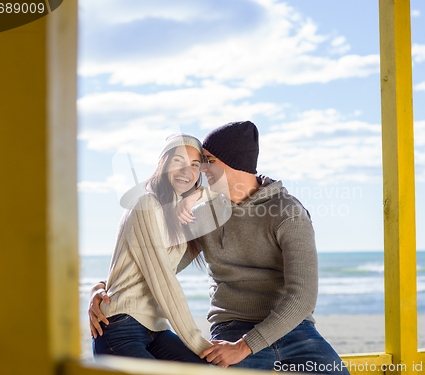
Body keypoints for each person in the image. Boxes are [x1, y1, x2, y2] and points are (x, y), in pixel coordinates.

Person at [90, 121, 350, 374]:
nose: (201, 170)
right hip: (231, 328)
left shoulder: (288, 212)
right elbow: (156, 264)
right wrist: (104, 288)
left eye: (208, 161)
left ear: (232, 164)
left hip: (294, 330)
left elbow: (302, 297)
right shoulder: (205, 216)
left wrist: (246, 346)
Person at [90, 133, 212, 363]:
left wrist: (195, 195)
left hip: (155, 328)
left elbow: (229, 195)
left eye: (195, 165)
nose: (187, 171)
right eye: (179, 161)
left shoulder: (178, 217)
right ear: (163, 163)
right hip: (120, 325)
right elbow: (163, 279)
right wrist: (198, 342)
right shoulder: (146, 205)